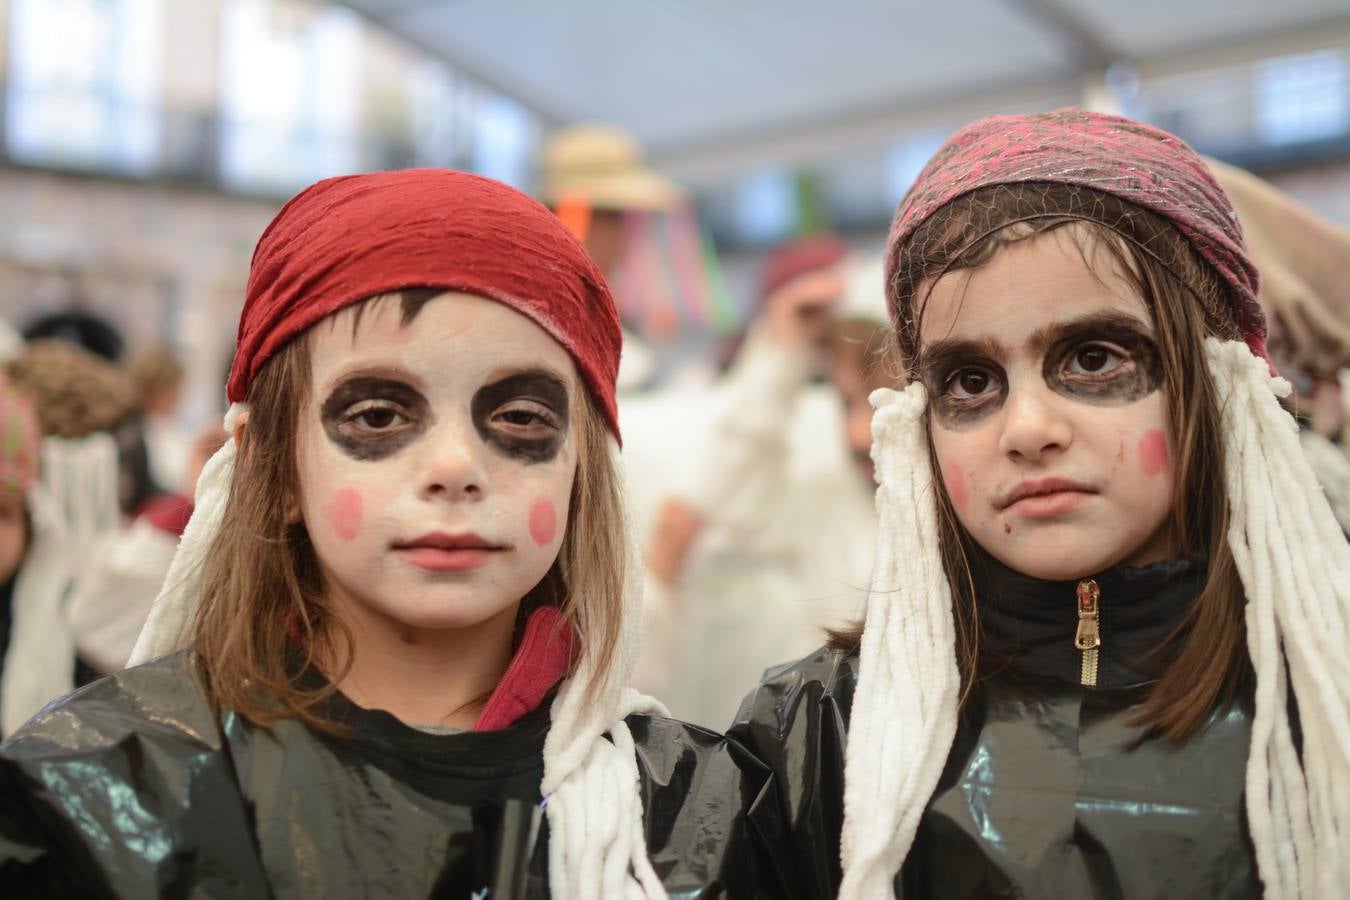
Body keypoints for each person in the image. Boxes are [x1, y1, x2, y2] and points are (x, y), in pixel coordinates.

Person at [0, 169, 777, 898]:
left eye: (519, 417)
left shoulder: (699, 806)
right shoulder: (93, 784)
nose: (454, 467)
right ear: (274, 466)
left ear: (580, 470)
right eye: (378, 415)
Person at [731, 109, 1350, 898]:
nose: (1026, 429)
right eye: (971, 381)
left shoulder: (1326, 697)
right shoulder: (819, 730)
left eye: (1092, 357)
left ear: (1217, 376)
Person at [639, 238, 894, 726]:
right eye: (846, 402)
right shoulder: (828, 486)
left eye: (884, 400)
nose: (858, 433)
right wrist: (780, 356)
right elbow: (726, 495)